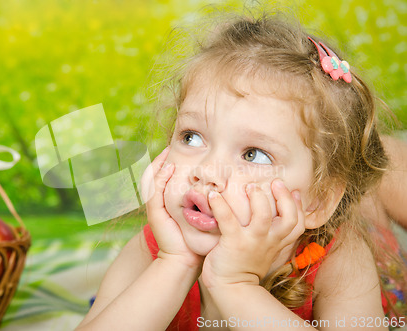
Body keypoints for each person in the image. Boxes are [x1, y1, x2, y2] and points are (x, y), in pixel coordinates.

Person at [76, 8, 407, 331]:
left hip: (358, 220)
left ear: (317, 203)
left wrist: (235, 285)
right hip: (323, 180)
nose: (206, 171)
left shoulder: (339, 258)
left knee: (383, 172)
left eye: (254, 155)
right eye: (191, 137)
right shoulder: (158, 246)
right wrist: (175, 263)